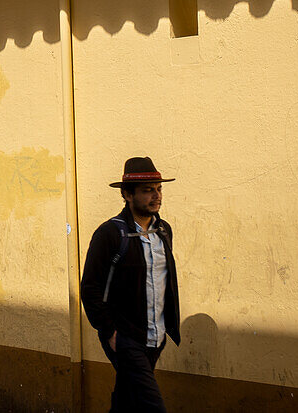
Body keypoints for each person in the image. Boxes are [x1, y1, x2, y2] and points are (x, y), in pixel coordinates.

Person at [81, 157, 180, 412]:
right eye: (148, 190)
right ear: (127, 195)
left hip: (156, 337)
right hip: (125, 338)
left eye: (159, 189)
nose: (156, 196)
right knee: (152, 406)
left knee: (127, 401)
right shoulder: (110, 234)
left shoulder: (163, 231)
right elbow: (90, 288)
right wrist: (110, 332)